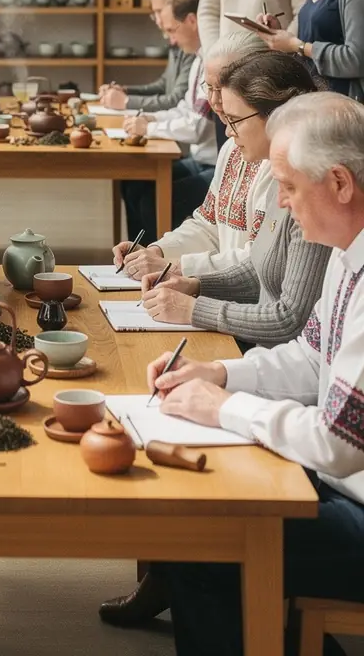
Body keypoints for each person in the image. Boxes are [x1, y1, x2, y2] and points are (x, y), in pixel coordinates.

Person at [149, 93, 364, 656]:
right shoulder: (347, 252)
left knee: (201, 543)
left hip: (356, 503)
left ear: (340, 183)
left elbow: (339, 443)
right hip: (343, 486)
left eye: (289, 187)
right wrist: (218, 372)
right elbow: (310, 356)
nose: (283, 205)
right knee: (195, 518)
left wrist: (223, 409)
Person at [139, 51, 328, 347]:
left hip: (268, 348)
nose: (227, 131)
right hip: (262, 346)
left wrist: (194, 306)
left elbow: (291, 319)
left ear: (278, 115)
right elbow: (262, 268)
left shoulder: (312, 190)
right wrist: (194, 283)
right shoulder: (281, 172)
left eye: (235, 120)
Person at [113, 30, 270, 283]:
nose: (215, 101)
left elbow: (259, 262)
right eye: (210, 88)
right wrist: (157, 250)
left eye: (224, 88)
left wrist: (173, 266)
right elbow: (208, 225)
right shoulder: (232, 147)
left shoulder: (277, 159)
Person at [119, 0, 218, 242]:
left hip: (212, 166)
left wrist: (148, 129)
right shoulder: (198, 60)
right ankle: (133, 254)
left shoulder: (213, 61)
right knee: (133, 184)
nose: (171, 40)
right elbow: (185, 108)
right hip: (200, 159)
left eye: (172, 30)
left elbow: (197, 128)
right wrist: (151, 120)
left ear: (192, 21)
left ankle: (150, 263)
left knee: (152, 202)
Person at [99, 0, 195, 111]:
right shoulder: (178, 40)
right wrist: (124, 91)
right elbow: (165, 85)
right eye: (154, 13)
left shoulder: (191, 45)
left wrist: (126, 101)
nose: (157, 20)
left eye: (160, 11)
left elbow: (176, 100)